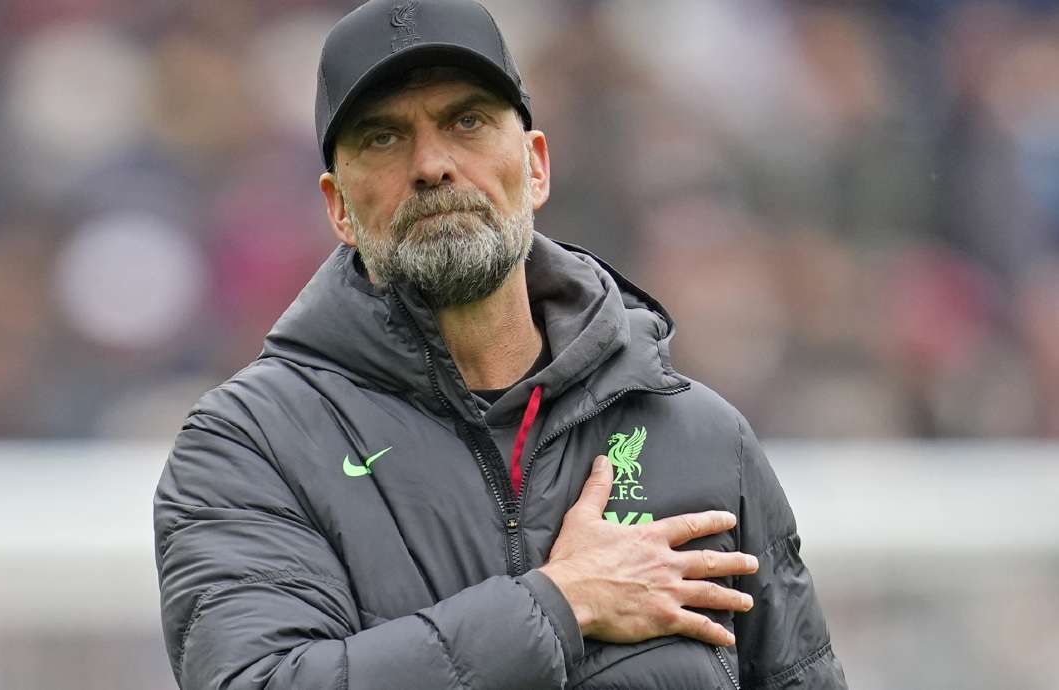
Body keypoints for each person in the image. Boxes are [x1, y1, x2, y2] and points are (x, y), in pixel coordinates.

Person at [154, 1, 848, 687]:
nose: (432, 165)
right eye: (383, 138)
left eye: (468, 122)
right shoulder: (252, 446)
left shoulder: (699, 437)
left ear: (536, 165)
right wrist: (559, 604)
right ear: (338, 206)